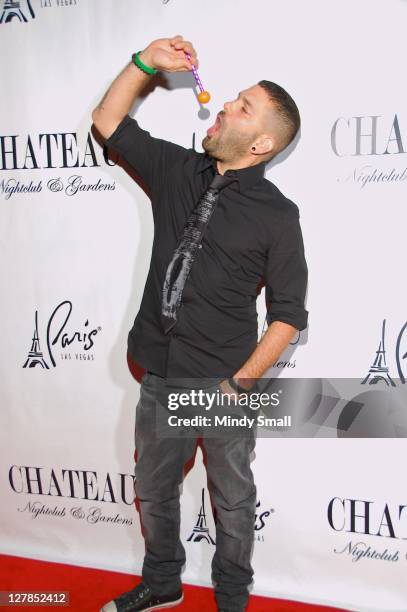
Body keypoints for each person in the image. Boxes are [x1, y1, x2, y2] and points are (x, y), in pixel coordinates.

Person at [93, 35, 309, 612]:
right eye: (232, 98)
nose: (223, 108)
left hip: (221, 383)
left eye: (242, 108)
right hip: (160, 373)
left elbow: (288, 315)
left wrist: (238, 385)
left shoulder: (278, 217)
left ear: (262, 142)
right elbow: (107, 119)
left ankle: (232, 599)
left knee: (232, 499)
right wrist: (145, 64)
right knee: (153, 488)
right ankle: (163, 580)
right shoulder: (177, 170)